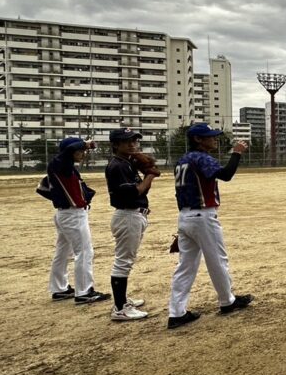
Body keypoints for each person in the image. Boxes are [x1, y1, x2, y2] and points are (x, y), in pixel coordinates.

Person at [167, 123, 252, 329]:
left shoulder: (182, 160)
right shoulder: (200, 157)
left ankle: (176, 313)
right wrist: (237, 153)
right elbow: (226, 174)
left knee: (185, 266)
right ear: (198, 139)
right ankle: (227, 301)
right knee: (218, 260)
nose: (215, 139)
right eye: (210, 136)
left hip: (185, 216)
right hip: (202, 216)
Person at [45, 137, 109, 304]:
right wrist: (86, 143)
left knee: (63, 252)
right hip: (72, 215)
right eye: (80, 151)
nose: (83, 153)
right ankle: (84, 292)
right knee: (84, 252)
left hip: (66, 214)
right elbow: (66, 151)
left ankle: (59, 288)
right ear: (70, 152)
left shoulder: (63, 168)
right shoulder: (62, 164)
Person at [103, 128, 156, 321]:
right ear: (116, 145)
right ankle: (120, 308)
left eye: (135, 140)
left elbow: (142, 192)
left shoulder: (127, 163)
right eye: (127, 141)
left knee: (125, 260)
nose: (133, 144)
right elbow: (136, 192)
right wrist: (150, 175)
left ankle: (122, 300)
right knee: (123, 261)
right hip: (128, 216)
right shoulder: (118, 166)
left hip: (132, 215)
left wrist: (147, 174)